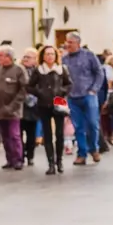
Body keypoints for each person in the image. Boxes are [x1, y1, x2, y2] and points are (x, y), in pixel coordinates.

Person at [62, 32, 104, 166]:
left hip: (88, 95)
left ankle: (94, 149)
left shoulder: (89, 55)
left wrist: (94, 89)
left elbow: (99, 72)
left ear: (78, 43)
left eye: (70, 42)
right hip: (72, 97)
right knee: (78, 126)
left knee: (92, 123)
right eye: (67, 42)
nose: (67, 45)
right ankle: (82, 153)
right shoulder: (64, 59)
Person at [31, 45, 71, 175]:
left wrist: (61, 92)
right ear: (42, 56)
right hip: (44, 104)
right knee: (47, 134)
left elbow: (69, 84)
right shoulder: (38, 70)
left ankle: (59, 161)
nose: (49, 56)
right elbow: (29, 86)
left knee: (59, 134)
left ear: (56, 56)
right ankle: (50, 164)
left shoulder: (61, 69)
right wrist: (40, 92)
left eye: (52, 54)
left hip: (59, 102)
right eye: (47, 54)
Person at [0, 44, 28, 170]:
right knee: (4, 136)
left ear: (9, 57)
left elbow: (23, 90)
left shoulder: (19, 70)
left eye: (1, 55)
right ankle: (9, 159)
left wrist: (12, 106)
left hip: (13, 110)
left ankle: (18, 159)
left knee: (14, 135)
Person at [19, 48, 41, 166]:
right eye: (24, 56)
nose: (26, 59)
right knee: (18, 132)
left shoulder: (38, 71)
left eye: (29, 57)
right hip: (20, 106)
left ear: (35, 59)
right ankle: (20, 155)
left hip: (33, 106)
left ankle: (30, 155)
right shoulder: (18, 70)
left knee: (31, 133)